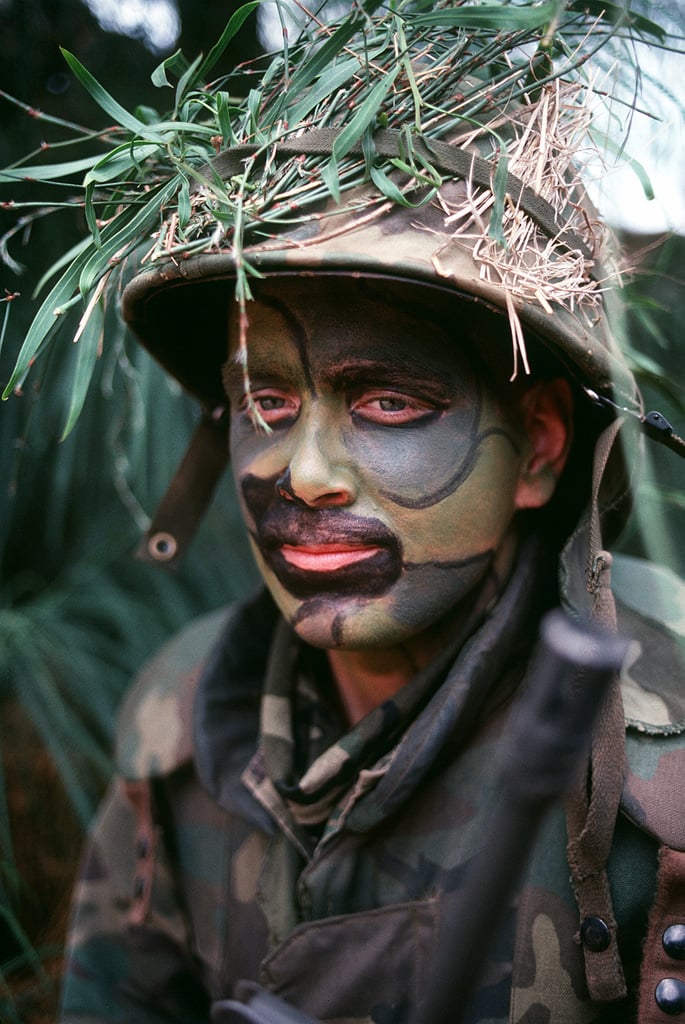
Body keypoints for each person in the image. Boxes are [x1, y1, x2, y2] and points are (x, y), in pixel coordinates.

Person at [45, 4, 685, 1022]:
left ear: (542, 446)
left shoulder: (663, 761)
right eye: (266, 402)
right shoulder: (176, 713)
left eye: (388, 400)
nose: (302, 475)